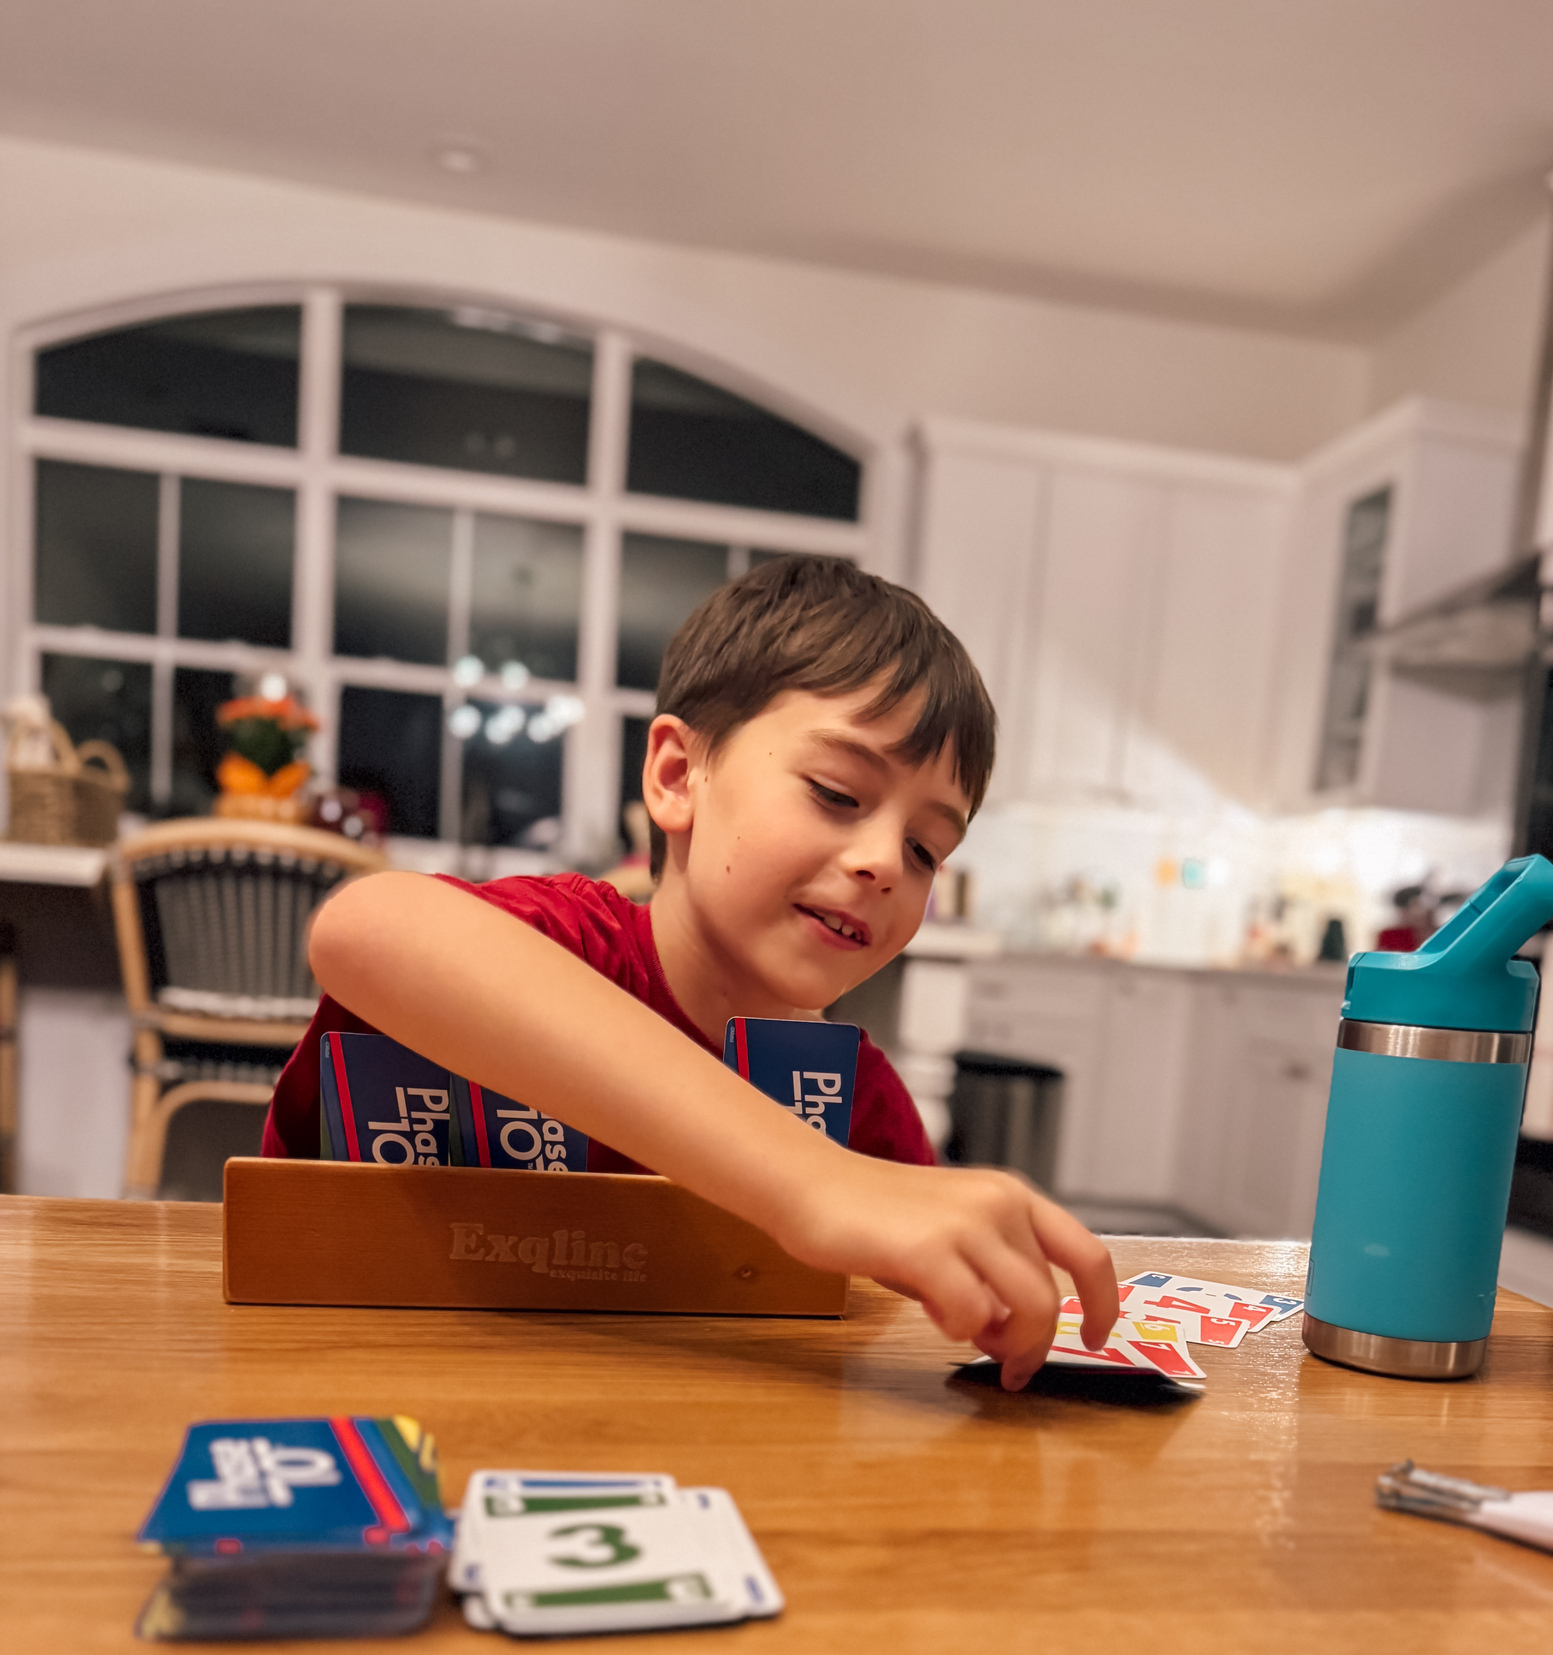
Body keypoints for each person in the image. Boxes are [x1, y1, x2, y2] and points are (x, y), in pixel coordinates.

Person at [266, 556, 1115, 1388]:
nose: (885, 862)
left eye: (927, 849)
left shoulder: (856, 1103)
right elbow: (366, 927)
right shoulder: (576, 945)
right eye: (836, 792)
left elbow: (924, 1272)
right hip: (349, 1399)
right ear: (678, 778)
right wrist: (816, 1182)